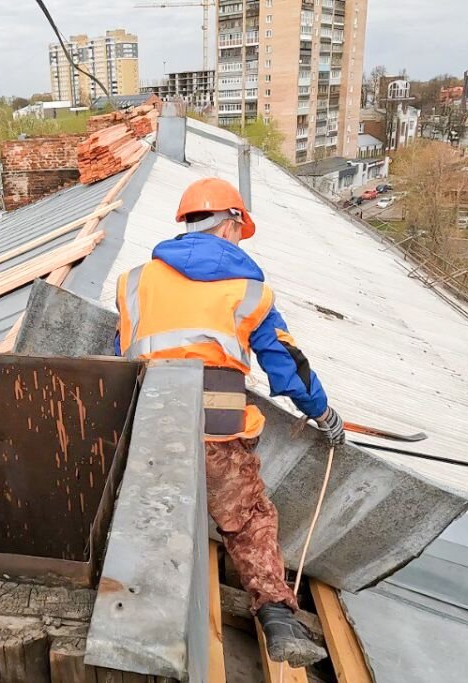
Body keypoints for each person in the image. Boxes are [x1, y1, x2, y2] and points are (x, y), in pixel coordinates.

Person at [114, 177, 345, 667]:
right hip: (217, 431)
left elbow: (123, 356)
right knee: (248, 522)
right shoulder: (250, 291)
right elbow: (286, 368)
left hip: (151, 428)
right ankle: (279, 620)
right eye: (241, 230)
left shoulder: (134, 281)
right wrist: (323, 413)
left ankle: (133, 627)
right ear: (231, 224)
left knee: (150, 520)